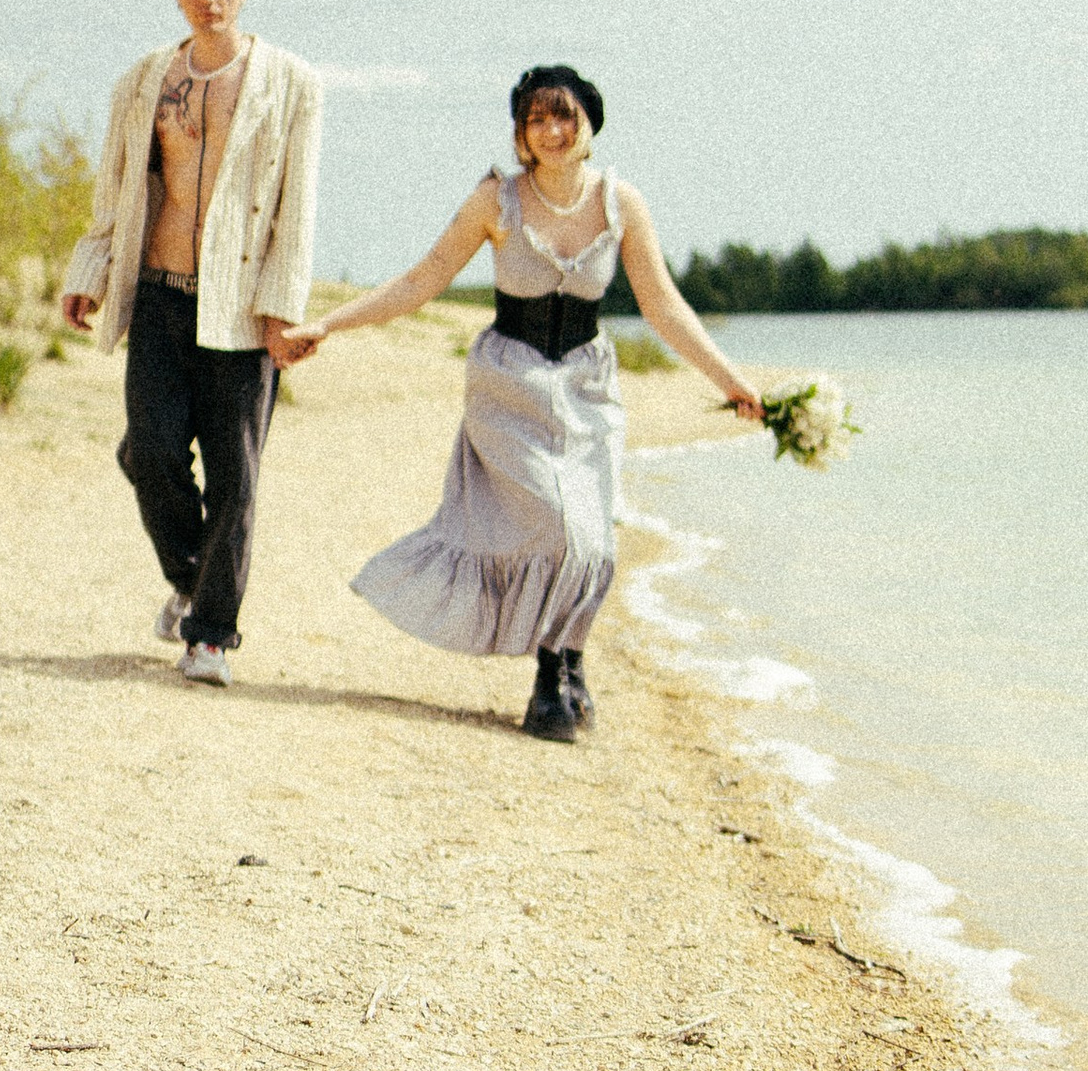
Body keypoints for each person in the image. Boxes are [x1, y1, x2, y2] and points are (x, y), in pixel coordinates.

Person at [277, 63, 760, 741]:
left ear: (590, 124)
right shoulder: (496, 201)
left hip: (588, 388)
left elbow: (662, 305)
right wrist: (328, 325)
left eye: (565, 116)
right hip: (509, 386)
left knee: (592, 538)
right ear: (521, 133)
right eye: (537, 119)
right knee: (554, 523)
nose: (552, 130)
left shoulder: (621, 204)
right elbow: (422, 280)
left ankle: (566, 662)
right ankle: (550, 673)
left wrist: (729, 380)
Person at [59, 0, 321, 684]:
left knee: (236, 480)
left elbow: (297, 207)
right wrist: (90, 270)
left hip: (241, 306)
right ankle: (192, 577)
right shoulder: (144, 81)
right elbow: (116, 187)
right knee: (151, 454)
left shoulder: (291, 82)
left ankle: (209, 636)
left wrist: (282, 308)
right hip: (161, 294)